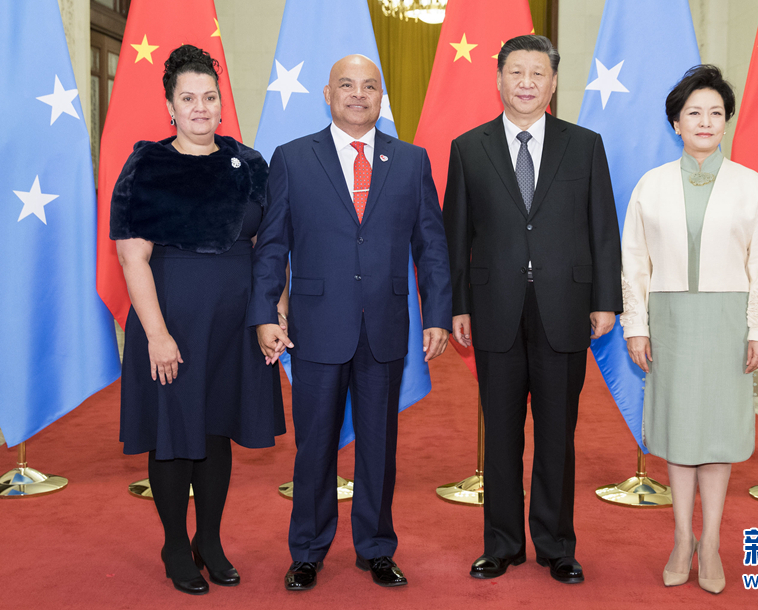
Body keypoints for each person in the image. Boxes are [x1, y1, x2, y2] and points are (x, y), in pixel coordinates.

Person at [248, 54, 452, 591]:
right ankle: (308, 550)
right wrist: (265, 312)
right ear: (327, 93)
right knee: (314, 445)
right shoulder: (293, 158)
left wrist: (437, 313)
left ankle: (376, 548)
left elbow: (431, 245)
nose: (358, 94)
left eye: (369, 86)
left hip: (384, 327)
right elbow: (272, 245)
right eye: (347, 85)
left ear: (381, 97)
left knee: (379, 447)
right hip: (316, 328)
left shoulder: (411, 161)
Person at [442, 35, 622, 584]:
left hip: (564, 308)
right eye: (516, 72)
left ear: (553, 82)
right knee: (500, 435)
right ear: (499, 79)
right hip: (493, 308)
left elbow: (603, 228)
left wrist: (606, 301)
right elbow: (455, 236)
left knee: (556, 436)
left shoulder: (584, 145)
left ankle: (556, 545)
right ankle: (501, 544)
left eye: (537, 73)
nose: (526, 83)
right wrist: (457, 305)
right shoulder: (468, 147)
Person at [111, 45, 286, 595]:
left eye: (209, 97)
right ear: (170, 106)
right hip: (172, 322)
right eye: (188, 98)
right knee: (173, 433)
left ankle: (208, 540)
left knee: (216, 430)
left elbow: (270, 245)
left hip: (234, 326)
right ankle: (173, 544)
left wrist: (273, 309)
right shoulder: (147, 166)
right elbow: (132, 257)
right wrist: (157, 335)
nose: (200, 108)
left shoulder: (250, 163)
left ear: (221, 104)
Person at [621, 64, 758, 594]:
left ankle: (710, 542)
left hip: (727, 322)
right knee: (680, 431)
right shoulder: (651, 185)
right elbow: (634, 262)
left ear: (727, 120)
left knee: (716, 434)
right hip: (669, 321)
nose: (706, 122)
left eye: (716, 112)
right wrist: (636, 325)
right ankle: (680, 538)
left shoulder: (751, 185)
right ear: (676, 123)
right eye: (694, 112)